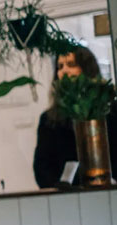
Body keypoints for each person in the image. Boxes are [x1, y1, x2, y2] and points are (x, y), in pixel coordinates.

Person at [33, 46, 117, 188]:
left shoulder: (110, 110)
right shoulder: (49, 119)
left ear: (86, 69)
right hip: (67, 196)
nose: (64, 70)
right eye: (60, 66)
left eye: (71, 65)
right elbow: (42, 167)